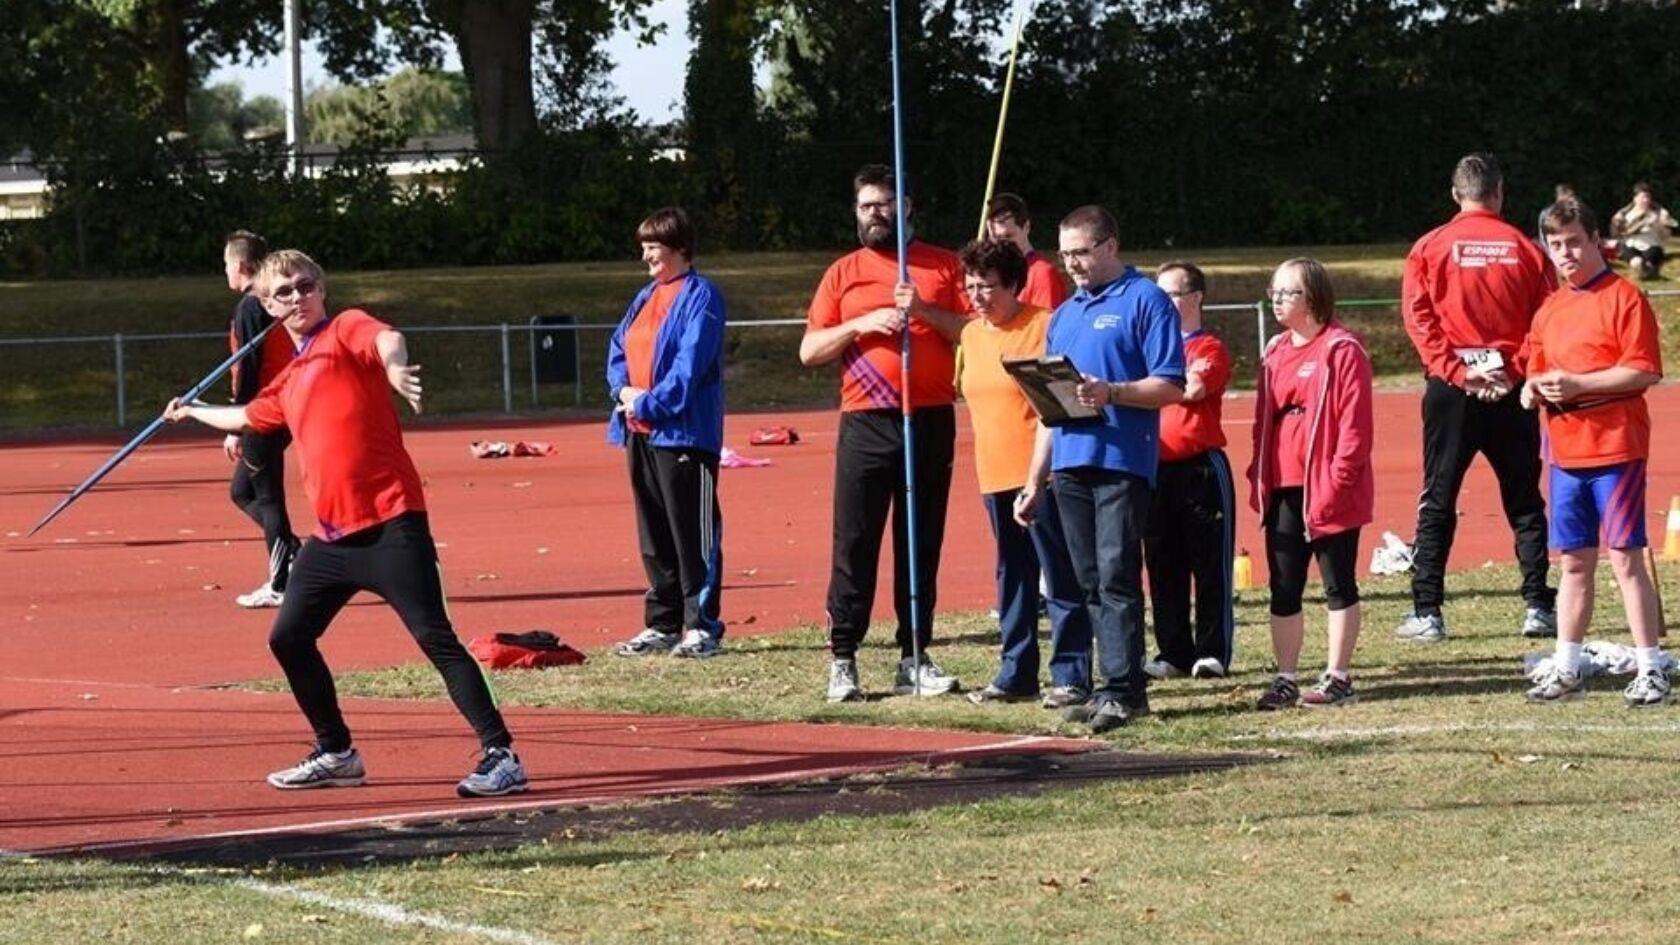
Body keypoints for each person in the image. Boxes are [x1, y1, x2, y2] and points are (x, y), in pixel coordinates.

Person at [163, 249, 526, 798]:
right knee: (288, 638)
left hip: (390, 524)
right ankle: (336, 752)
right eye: (283, 293)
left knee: (436, 640)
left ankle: (502, 755)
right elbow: (244, 417)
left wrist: (397, 369)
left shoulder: (347, 329)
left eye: (306, 287)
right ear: (266, 305)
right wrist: (192, 411)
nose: (297, 298)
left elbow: (387, 340)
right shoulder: (290, 378)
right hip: (331, 540)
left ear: (322, 289)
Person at [800, 164, 971, 702]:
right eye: (867, 206)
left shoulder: (943, 266)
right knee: (854, 541)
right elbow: (809, 350)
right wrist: (861, 325)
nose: (877, 214)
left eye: (886, 203)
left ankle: (914, 654)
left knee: (920, 541)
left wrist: (922, 309)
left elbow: (973, 330)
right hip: (866, 422)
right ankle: (844, 658)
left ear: (908, 205)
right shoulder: (843, 273)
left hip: (928, 417)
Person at [1014, 205, 1185, 733]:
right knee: (1087, 579)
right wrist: (1033, 479)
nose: (1073, 265)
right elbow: (1049, 406)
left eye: (1081, 254)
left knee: (1116, 574)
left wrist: (1112, 392)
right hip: (1069, 464)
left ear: (1110, 246)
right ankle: (1102, 684)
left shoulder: (1147, 301)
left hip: (1120, 461)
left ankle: (1125, 689)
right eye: (1065, 256)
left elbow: (1171, 385)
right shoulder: (1064, 314)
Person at [1396, 153, 1557, 644]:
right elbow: (1547, 318)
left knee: (1438, 496)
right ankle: (1536, 605)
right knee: (1525, 496)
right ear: (1499, 192)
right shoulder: (1527, 250)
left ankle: (1428, 612)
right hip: (1511, 390)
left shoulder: (1429, 246)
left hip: (1453, 392)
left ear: (1455, 193)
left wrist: (1456, 371)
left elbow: (1418, 319)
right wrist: (1514, 369)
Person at [1521, 198, 1668, 706]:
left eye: (1573, 243)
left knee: (1625, 558)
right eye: (1555, 245)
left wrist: (1578, 384)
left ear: (1594, 241)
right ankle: (1567, 664)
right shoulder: (1550, 308)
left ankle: (1651, 666)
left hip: (1616, 445)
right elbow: (1535, 370)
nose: (1565, 253)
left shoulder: (1624, 298)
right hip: (1564, 453)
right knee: (1574, 563)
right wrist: (1531, 387)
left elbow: (1645, 370)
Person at [954, 238, 1092, 707]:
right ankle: (1016, 672)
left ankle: (1072, 672)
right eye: (971, 285)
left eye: (988, 286)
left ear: (1013, 284)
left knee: (1059, 574)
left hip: (1044, 475)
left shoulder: (1044, 327)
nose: (977, 295)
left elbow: (1059, 404)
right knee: (1011, 577)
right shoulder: (972, 335)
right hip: (993, 475)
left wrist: (1039, 477)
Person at [1248, 258, 1374, 710]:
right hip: (1283, 483)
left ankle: (1338, 675)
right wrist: (1257, 472)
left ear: (1313, 298)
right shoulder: (1276, 349)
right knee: (1284, 584)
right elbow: (1264, 418)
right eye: (1274, 290)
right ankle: (1285, 676)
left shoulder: (1342, 350)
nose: (1277, 299)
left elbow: (1356, 429)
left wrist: (1338, 480)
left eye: (1287, 292)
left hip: (1328, 485)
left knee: (1338, 581)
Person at [605, 208, 727, 659]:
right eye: (643, 247)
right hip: (640, 432)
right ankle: (662, 622)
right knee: (653, 534)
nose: (646, 256)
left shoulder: (703, 296)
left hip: (682, 434)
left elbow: (690, 364)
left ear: (678, 247)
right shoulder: (644, 297)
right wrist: (623, 392)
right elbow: (618, 346)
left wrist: (652, 403)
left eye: (652, 247)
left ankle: (702, 625)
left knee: (692, 533)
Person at [1142, 261, 1236, 680]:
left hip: (1200, 469)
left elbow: (1194, 387)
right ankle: (1173, 651)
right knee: (1163, 564)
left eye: (1173, 294)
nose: (1164, 302)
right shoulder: (1147, 348)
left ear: (1196, 297)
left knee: (1209, 564)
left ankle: (1211, 650)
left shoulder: (1207, 346)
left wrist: (1155, 387)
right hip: (1155, 469)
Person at [222, 230, 301, 609]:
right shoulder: (270, 302)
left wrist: (238, 421)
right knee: (242, 492)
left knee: (268, 498)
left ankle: (281, 583)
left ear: (239, 265)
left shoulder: (253, 306)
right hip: (278, 404)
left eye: (226, 266)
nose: (225, 273)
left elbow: (248, 366)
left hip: (265, 409)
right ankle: (293, 549)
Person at [985, 193, 1070, 310]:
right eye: (997, 238)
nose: (1003, 244)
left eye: (1009, 236)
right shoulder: (991, 275)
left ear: (1026, 227)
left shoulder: (1042, 274)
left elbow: (1044, 325)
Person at [1609, 182, 1677, 280]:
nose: (1646, 200)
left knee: (1650, 259)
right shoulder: (1624, 214)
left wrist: (1661, 225)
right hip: (1631, 246)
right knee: (1635, 261)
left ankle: (1646, 271)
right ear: (1635, 198)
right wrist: (1616, 226)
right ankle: (1641, 270)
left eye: (1648, 197)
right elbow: (1615, 233)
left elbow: (1666, 236)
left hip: (1652, 246)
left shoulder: (1659, 214)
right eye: (1643, 197)